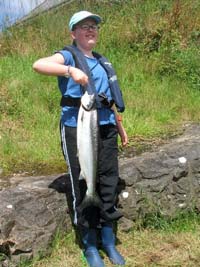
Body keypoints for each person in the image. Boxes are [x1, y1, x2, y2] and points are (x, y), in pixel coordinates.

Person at [33, 10, 128, 267]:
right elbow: (39, 65)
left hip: (106, 128)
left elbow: (105, 98)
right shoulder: (68, 56)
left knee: (108, 181)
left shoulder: (101, 61)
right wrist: (69, 71)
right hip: (78, 129)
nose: (90, 29)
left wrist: (119, 126)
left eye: (94, 26)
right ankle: (89, 245)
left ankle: (108, 241)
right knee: (82, 183)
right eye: (84, 26)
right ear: (73, 33)